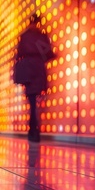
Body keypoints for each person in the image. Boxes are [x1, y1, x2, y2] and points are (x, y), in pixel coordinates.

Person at [14, 13, 55, 142]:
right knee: (35, 103)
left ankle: (33, 129)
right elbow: (48, 52)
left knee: (32, 102)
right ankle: (34, 129)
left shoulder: (24, 36)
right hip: (38, 69)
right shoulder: (41, 36)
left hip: (28, 70)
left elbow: (19, 53)